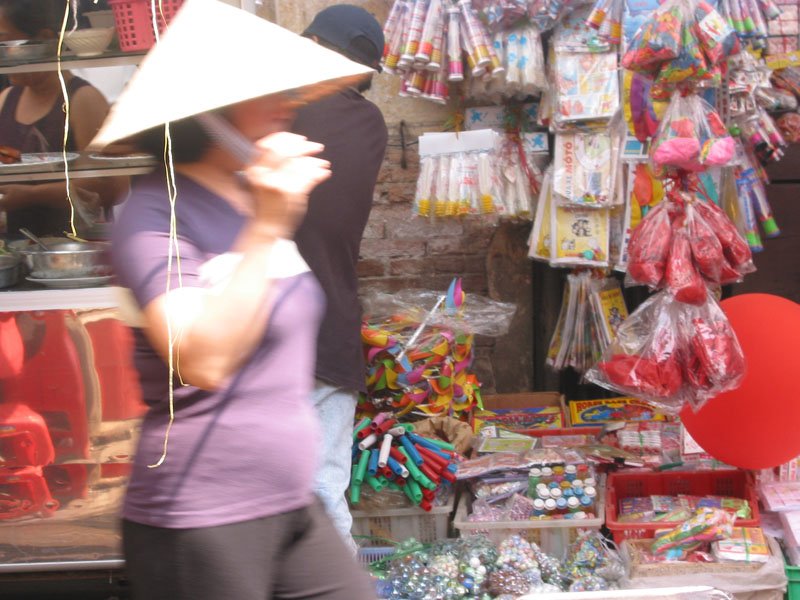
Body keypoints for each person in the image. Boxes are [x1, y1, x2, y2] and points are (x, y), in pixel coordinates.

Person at [96, 1, 377, 598]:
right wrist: (269, 227)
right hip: (201, 516)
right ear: (209, 113)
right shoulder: (154, 214)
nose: (287, 102)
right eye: (262, 91)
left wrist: (267, 217)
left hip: (288, 502)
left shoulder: (254, 196)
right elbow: (202, 359)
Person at [292, 4, 388, 551]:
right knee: (322, 493)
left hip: (274, 331)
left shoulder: (282, 113)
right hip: (327, 325)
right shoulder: (366, 123)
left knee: (307, 496)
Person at [0, 0, 126, 237]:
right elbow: (8, 159)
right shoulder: (7, 98)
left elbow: (113, 187)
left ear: (44, 39)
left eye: (5, 41)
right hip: (19, 246)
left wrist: (32, 195)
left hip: (75, 247)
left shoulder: (81, 99)